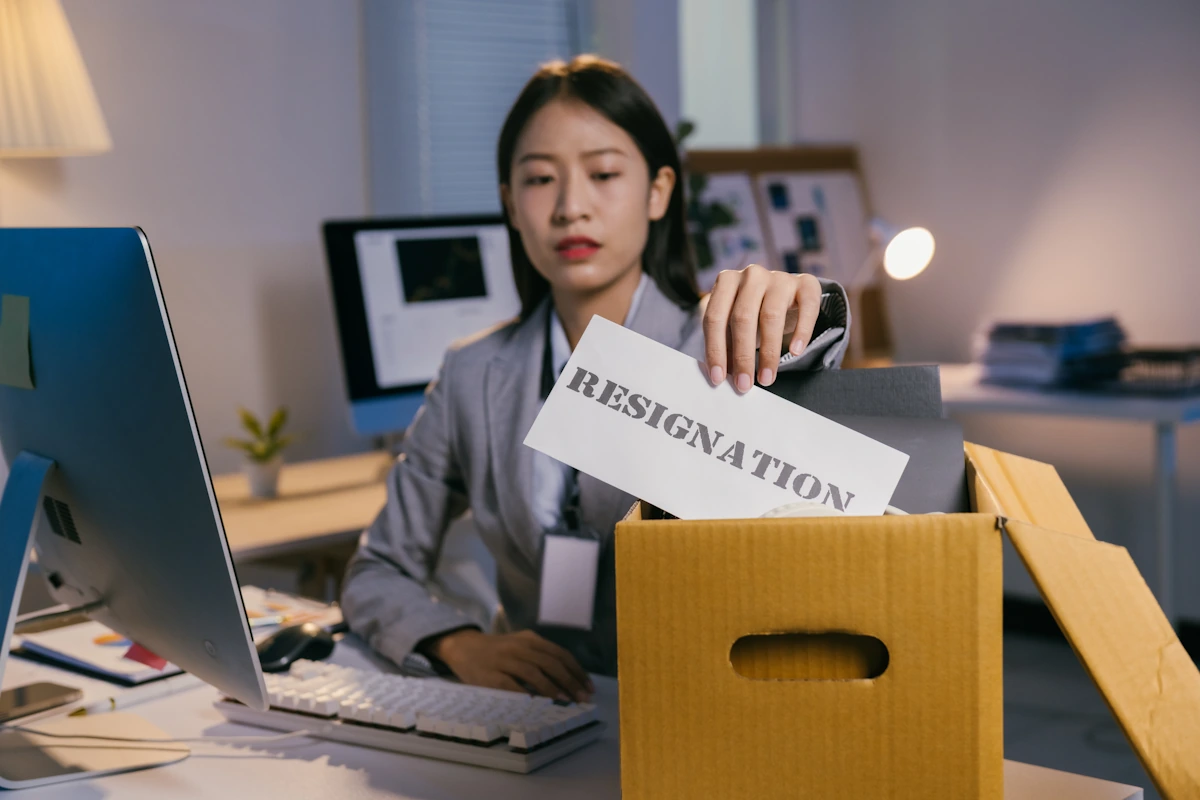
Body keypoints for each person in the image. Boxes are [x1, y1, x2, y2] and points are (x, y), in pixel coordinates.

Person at [342, 55, 849, 704]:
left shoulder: (720, 344)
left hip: (703, 714)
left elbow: (812, 367)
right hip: (536, 721)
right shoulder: (471, 373)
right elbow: (376, 570)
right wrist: (458, 644)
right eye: (539, 180)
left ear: (658, 192)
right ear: (510, 204)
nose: (570, 207)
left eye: (604, 173)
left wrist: (809, 305)